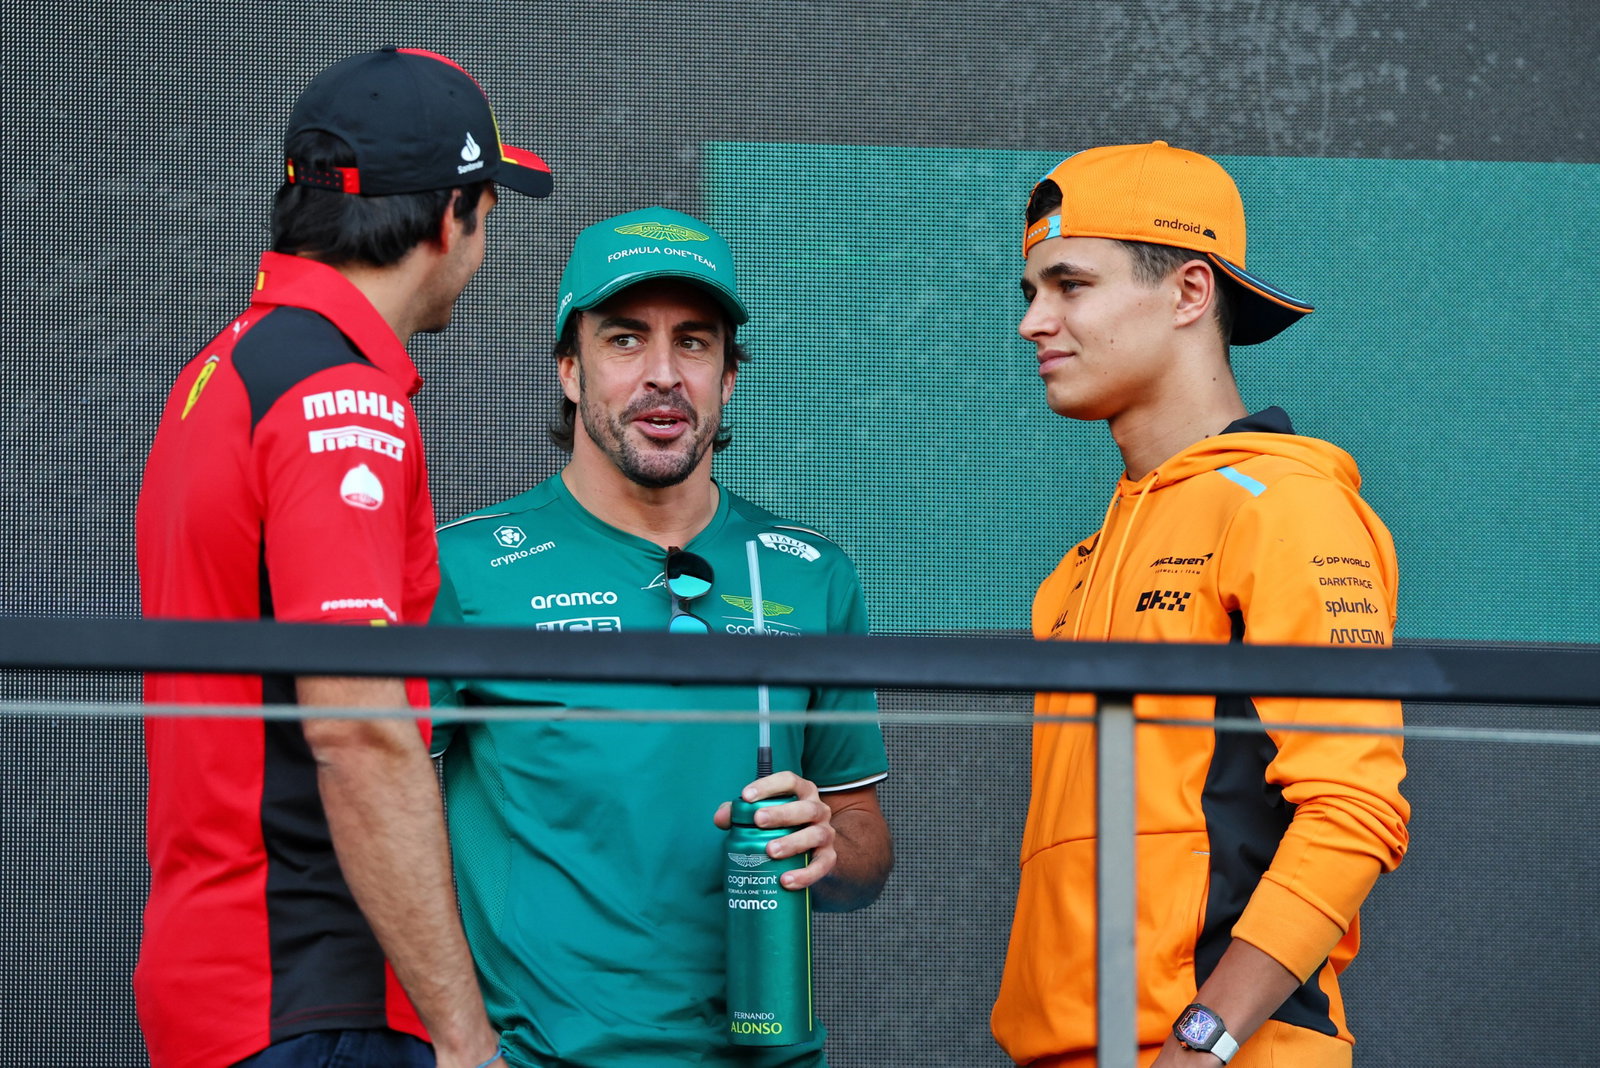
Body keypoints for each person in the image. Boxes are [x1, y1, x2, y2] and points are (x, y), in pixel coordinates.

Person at [135, 48, 552, 1068]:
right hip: (312, 1002)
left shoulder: (229, 365)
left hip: (233, 986)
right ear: (450, 218)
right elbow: (359, 729)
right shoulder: (341, 398)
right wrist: (463, 1041)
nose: (483, 245)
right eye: (489, 212)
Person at [429, 206, 893, 1068]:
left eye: (694, 342)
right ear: (569, 370)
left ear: (729, 377)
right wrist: (459, 1042)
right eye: (625, 340)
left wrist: (828, 845)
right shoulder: (460, 569)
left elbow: (865, 844)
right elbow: (382, 820)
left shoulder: (808, 574)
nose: (663, 375)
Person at [989, 142, 1411, 1068]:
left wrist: (1203, 1039)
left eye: (1069, 284)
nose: (1034, 322)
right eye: (1030, 292)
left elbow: (1354, 810)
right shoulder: (1078, 568)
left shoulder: (1289, 506)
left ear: (1188, 293)